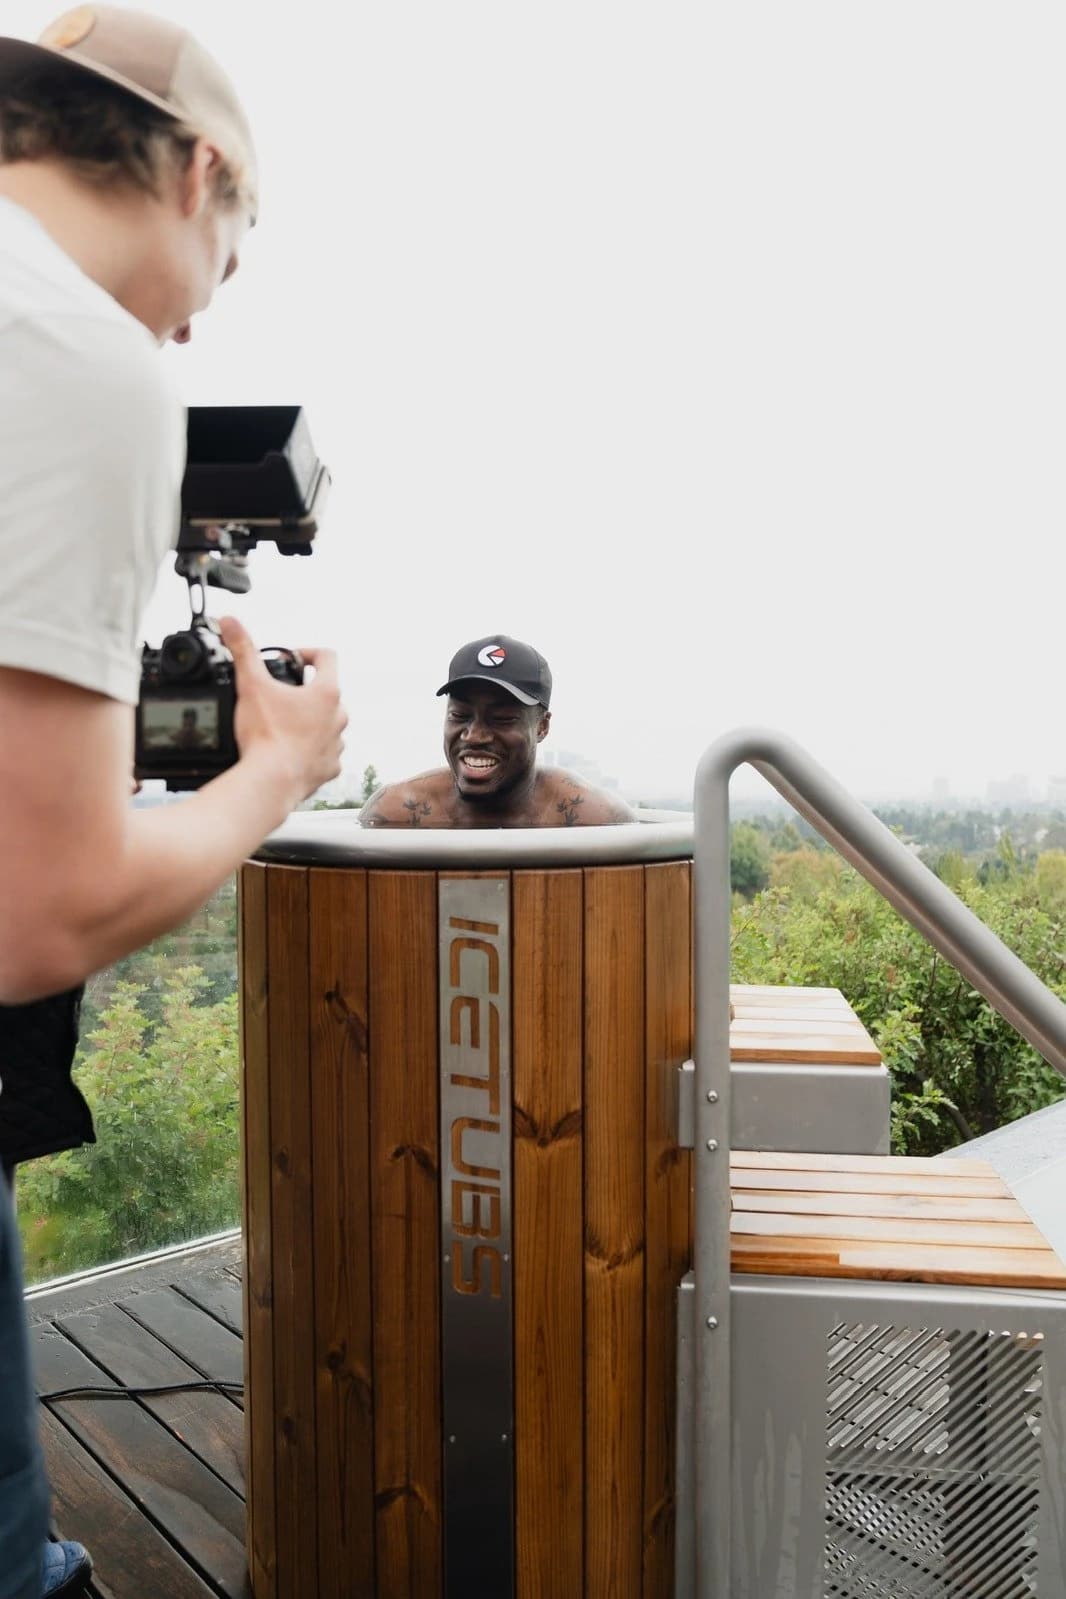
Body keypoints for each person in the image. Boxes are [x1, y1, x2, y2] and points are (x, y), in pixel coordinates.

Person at [0, 10, 346, 1597]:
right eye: (234, 255)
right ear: (200, 169)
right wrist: (278, 767)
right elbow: (39, 914)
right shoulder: (75, 345)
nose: (202, 326)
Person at [360, 634, 635, 828]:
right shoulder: (395, 811)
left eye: (502, 719)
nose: (474, 735)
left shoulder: (594, 817)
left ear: (542, 726)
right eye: (460, 716)